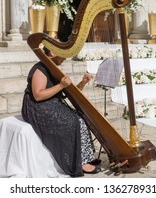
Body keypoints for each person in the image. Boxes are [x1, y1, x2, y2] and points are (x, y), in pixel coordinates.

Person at [21, 47, 101, 177]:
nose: (65, 58)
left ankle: (84, 157)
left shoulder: (54, 69)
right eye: (63, 55)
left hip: (51, 103)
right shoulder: (40, 69)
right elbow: (38, 95)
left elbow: (71, 93)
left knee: (79, 117)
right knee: (72, 122)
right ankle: (77, 162)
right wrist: (61, 85)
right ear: (52, 52)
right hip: (36, 107)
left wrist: (83, 82)